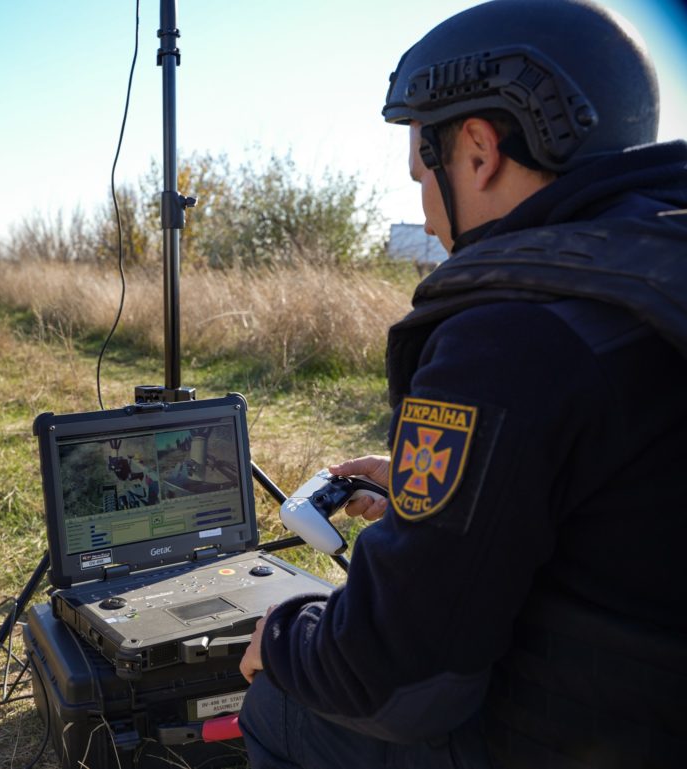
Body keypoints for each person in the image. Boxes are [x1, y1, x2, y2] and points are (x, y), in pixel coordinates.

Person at [237, 1, 687, 768]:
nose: (428, 211)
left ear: (477, 152)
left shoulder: (511, 334)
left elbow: (397, 681)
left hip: (589, 729)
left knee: (280, 703)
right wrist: (434, 491)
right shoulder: (652, 271)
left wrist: (281, 637)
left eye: (423, 170)